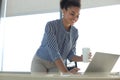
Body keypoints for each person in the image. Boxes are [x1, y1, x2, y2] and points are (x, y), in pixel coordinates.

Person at [31, 0, 91, 74]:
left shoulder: (75, 32)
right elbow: (54, 51)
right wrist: (66, 73)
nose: (75, 18)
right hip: (41, 62)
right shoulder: (51, 26)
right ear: (63, 10)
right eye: (72, 14)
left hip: (56, 65)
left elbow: (70, 54)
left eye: (77, 16)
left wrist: (81, 58)